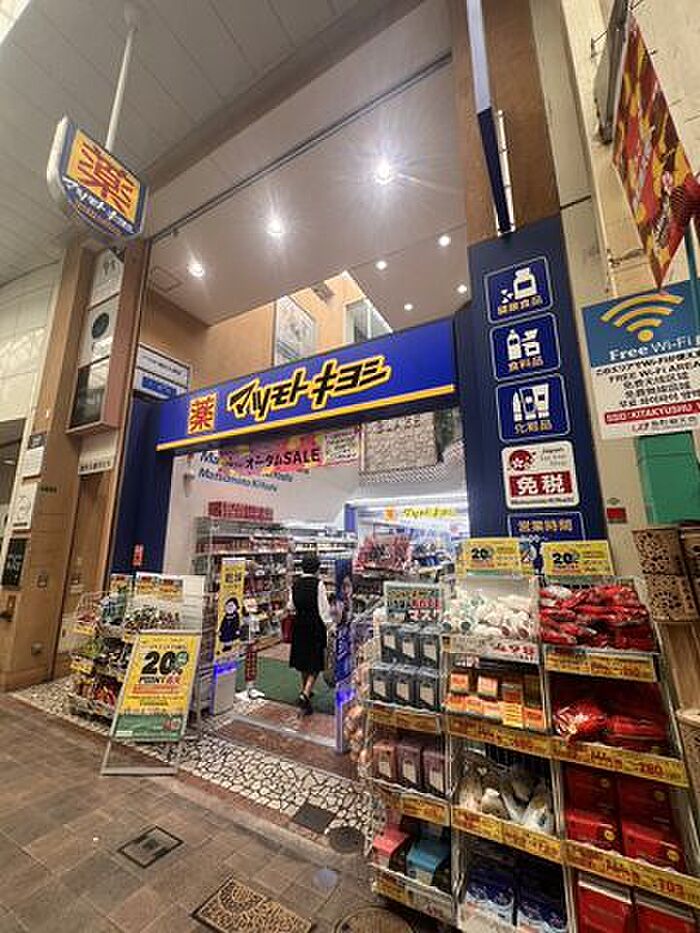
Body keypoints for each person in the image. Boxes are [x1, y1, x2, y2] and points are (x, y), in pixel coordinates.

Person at [289, 553, 332, 714]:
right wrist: (330, 626)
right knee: (315, 662)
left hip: (299, 625)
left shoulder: (295, 584)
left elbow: (291, 606)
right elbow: (324, 610)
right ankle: (306, 694)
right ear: (317, 568)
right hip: (315, 626)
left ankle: (305, 689)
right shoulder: (318, 584)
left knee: (303, 660)